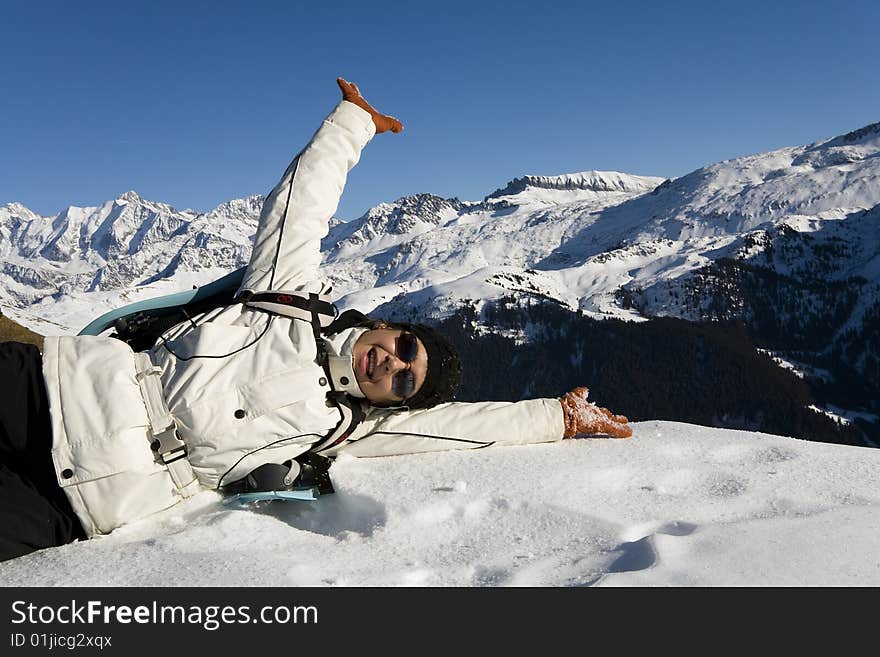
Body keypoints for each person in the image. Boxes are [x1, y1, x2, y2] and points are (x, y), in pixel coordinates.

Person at [0, 78, 632, 563]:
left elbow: (459, 427)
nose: (393, 363)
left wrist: (558, 417)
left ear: (395, 400)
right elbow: (301, 206)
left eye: (405, 380)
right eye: (405, 346)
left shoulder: (341, 430)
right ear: (390, 327)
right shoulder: (290, 301)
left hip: (79, 502)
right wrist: (354, 124)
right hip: (51, 390)